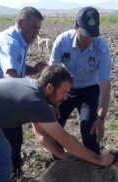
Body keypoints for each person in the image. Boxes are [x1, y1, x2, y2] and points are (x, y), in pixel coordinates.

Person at [0, 6, 49, 181]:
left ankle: (15, 175)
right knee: (7, 141)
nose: (36, 33)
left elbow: (17, 68)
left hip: (1, 92)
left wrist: (33, 69)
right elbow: (11, 76)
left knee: (16, 135)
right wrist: (34, 96)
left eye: (39, 29)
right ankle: (5, 180)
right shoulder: (10, 42)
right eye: (33, 28)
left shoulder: (20, 40)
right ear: (21, 23)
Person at [49, 7, 112, 154]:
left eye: (92, 35)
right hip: (64, 89)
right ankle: (60, 162)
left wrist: (101, 118)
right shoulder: (62, 42)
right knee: (54, 126)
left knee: (89, 129)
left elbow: (105, 86)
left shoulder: (102, 48)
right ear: (76, 26)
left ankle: (94, 169)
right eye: (85, 35)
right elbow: (51, 75)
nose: (89, 39)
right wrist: (52, 103)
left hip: (89, 91)